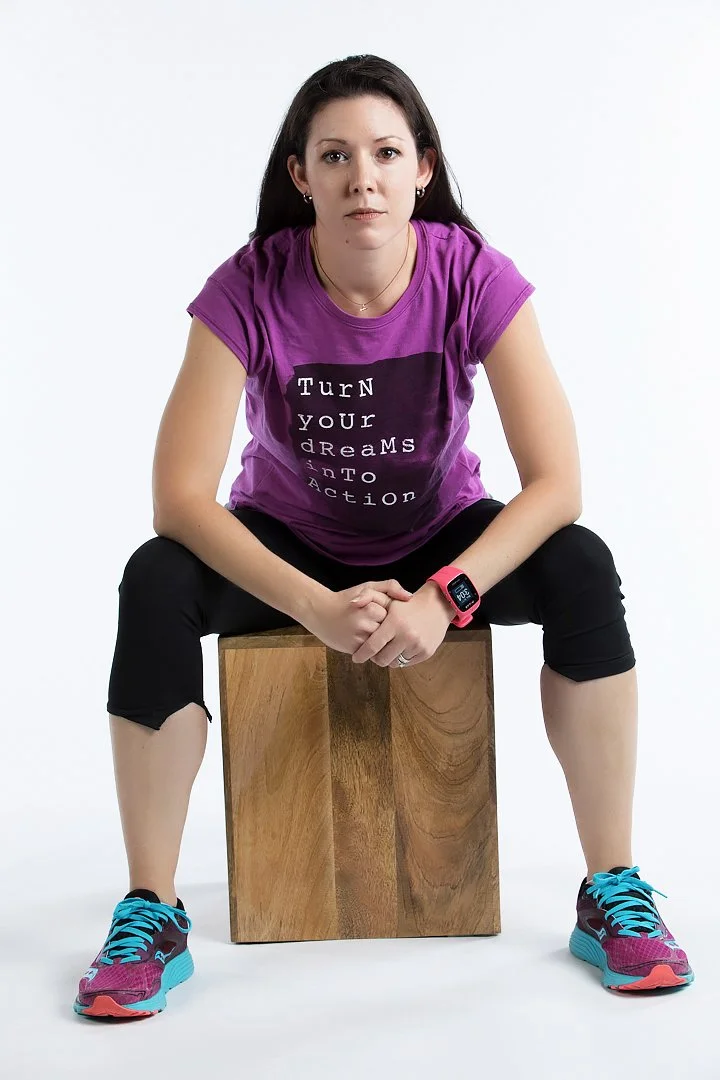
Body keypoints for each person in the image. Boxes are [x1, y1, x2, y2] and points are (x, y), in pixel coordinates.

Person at [73, 54, 693, 1021]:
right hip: (291, 547)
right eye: (335, 155)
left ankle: (613, 888)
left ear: (422, 170)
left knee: (582, 565)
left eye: (385, 152)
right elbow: (180, 501)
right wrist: (314, 606)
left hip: (440, 539)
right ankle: (150, 909)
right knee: (155, 581)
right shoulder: (246, 286)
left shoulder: (472, 273)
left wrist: (448, 595)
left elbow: (557, 484)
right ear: (301, 176)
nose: (362, 175)